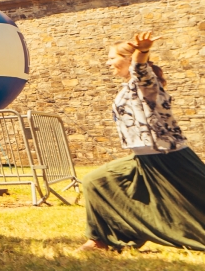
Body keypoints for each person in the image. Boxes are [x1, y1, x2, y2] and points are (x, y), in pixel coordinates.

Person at [81, 32, 205, 252]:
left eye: (112, 57)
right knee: (96, 181)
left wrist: (143, 51)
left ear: (129, 59)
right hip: (143, 158)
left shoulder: (145, 84)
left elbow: (141, 72)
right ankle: (101, 240)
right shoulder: (127, 87)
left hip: (170, 157)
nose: (108, 62)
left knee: (197, 203)